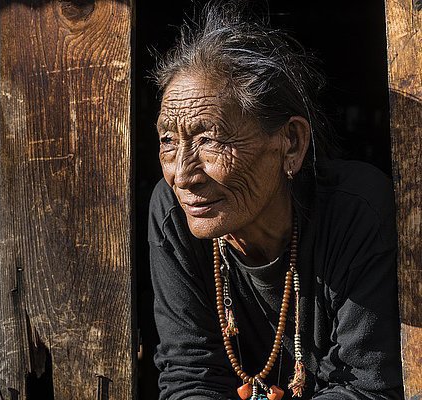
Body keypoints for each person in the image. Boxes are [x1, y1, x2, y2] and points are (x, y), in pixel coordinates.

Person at [148, 3, 404, 399]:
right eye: (168, 141)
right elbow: (189, 376)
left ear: (291, 144)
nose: (182, 174)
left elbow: (368, 387)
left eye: (209, 139)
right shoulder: (171, 213)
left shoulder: (357, 211)